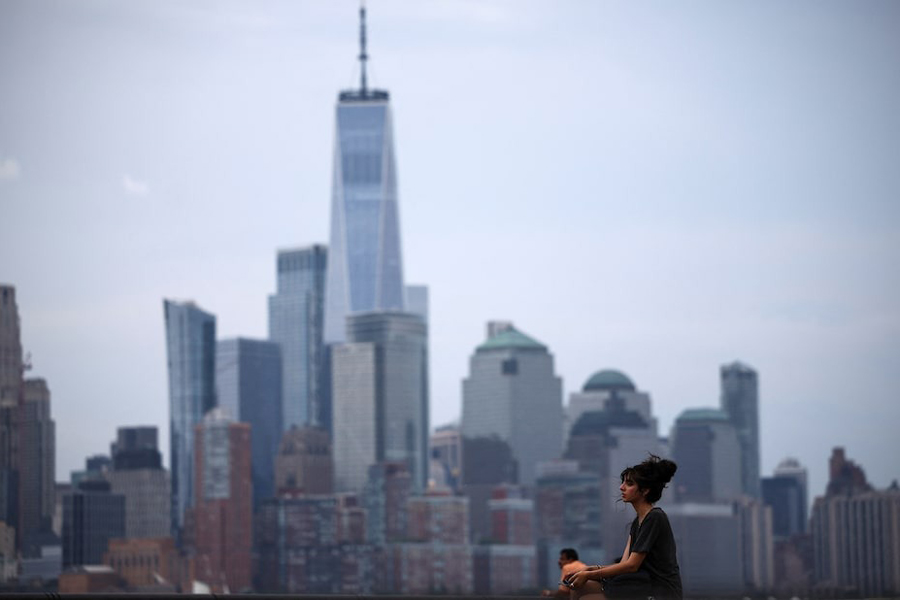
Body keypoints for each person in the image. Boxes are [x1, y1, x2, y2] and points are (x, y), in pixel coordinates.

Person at [566, 455, 682, 600]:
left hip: (658, 591)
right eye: (623, 483)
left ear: (645, 490)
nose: (622, 487)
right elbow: (624, 563)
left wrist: (589, 574)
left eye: (629, 483)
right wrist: (587, 569)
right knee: (577, 588)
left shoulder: (655, 517)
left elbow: (632, 566)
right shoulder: (637, 522)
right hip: (638, 586)